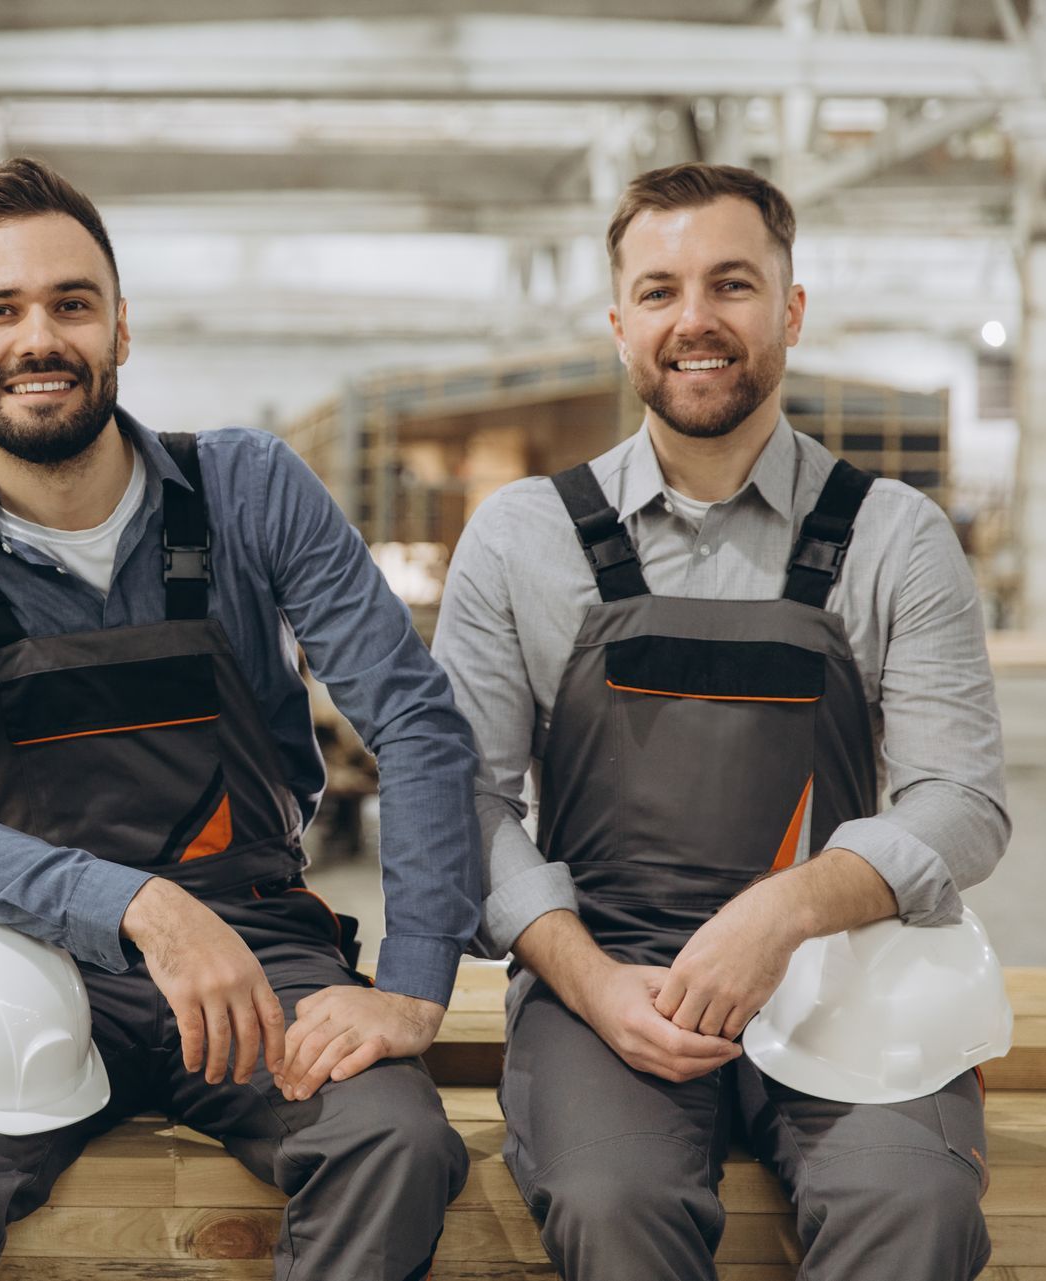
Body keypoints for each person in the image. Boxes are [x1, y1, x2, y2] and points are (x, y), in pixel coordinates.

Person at [0, 156, 480, 1279]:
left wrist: (417, 985)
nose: (40, 338)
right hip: (18, 968)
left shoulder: (247, 492)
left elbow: (416, 724)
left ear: (119, 328)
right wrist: (143, 910)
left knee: (395, 1140)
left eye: (71, 304)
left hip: (257, 947)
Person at [432, 161, 1008, 1280]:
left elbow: (962, 802)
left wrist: (787, 909)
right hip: (609, 973)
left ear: (790, 311)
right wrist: (588, 979)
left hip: (843, 961)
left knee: (916, 1205)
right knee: (611, 1201)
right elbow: (468, 803)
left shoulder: (896, 536)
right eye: (659, 292)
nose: (695, 321)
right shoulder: (520, 540)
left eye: (732, 285)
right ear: (618, 323)